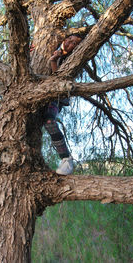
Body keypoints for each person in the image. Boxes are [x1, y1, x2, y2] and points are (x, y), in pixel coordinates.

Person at [42, 34, 82, 175]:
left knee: (49, 121)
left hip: (56, 97)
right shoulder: (52, 48)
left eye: (74, 43)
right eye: (69, 40)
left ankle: (66, 159)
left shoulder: (73, 61)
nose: (69, 43)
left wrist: (54, 61)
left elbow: (59, 79)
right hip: (40, 93)